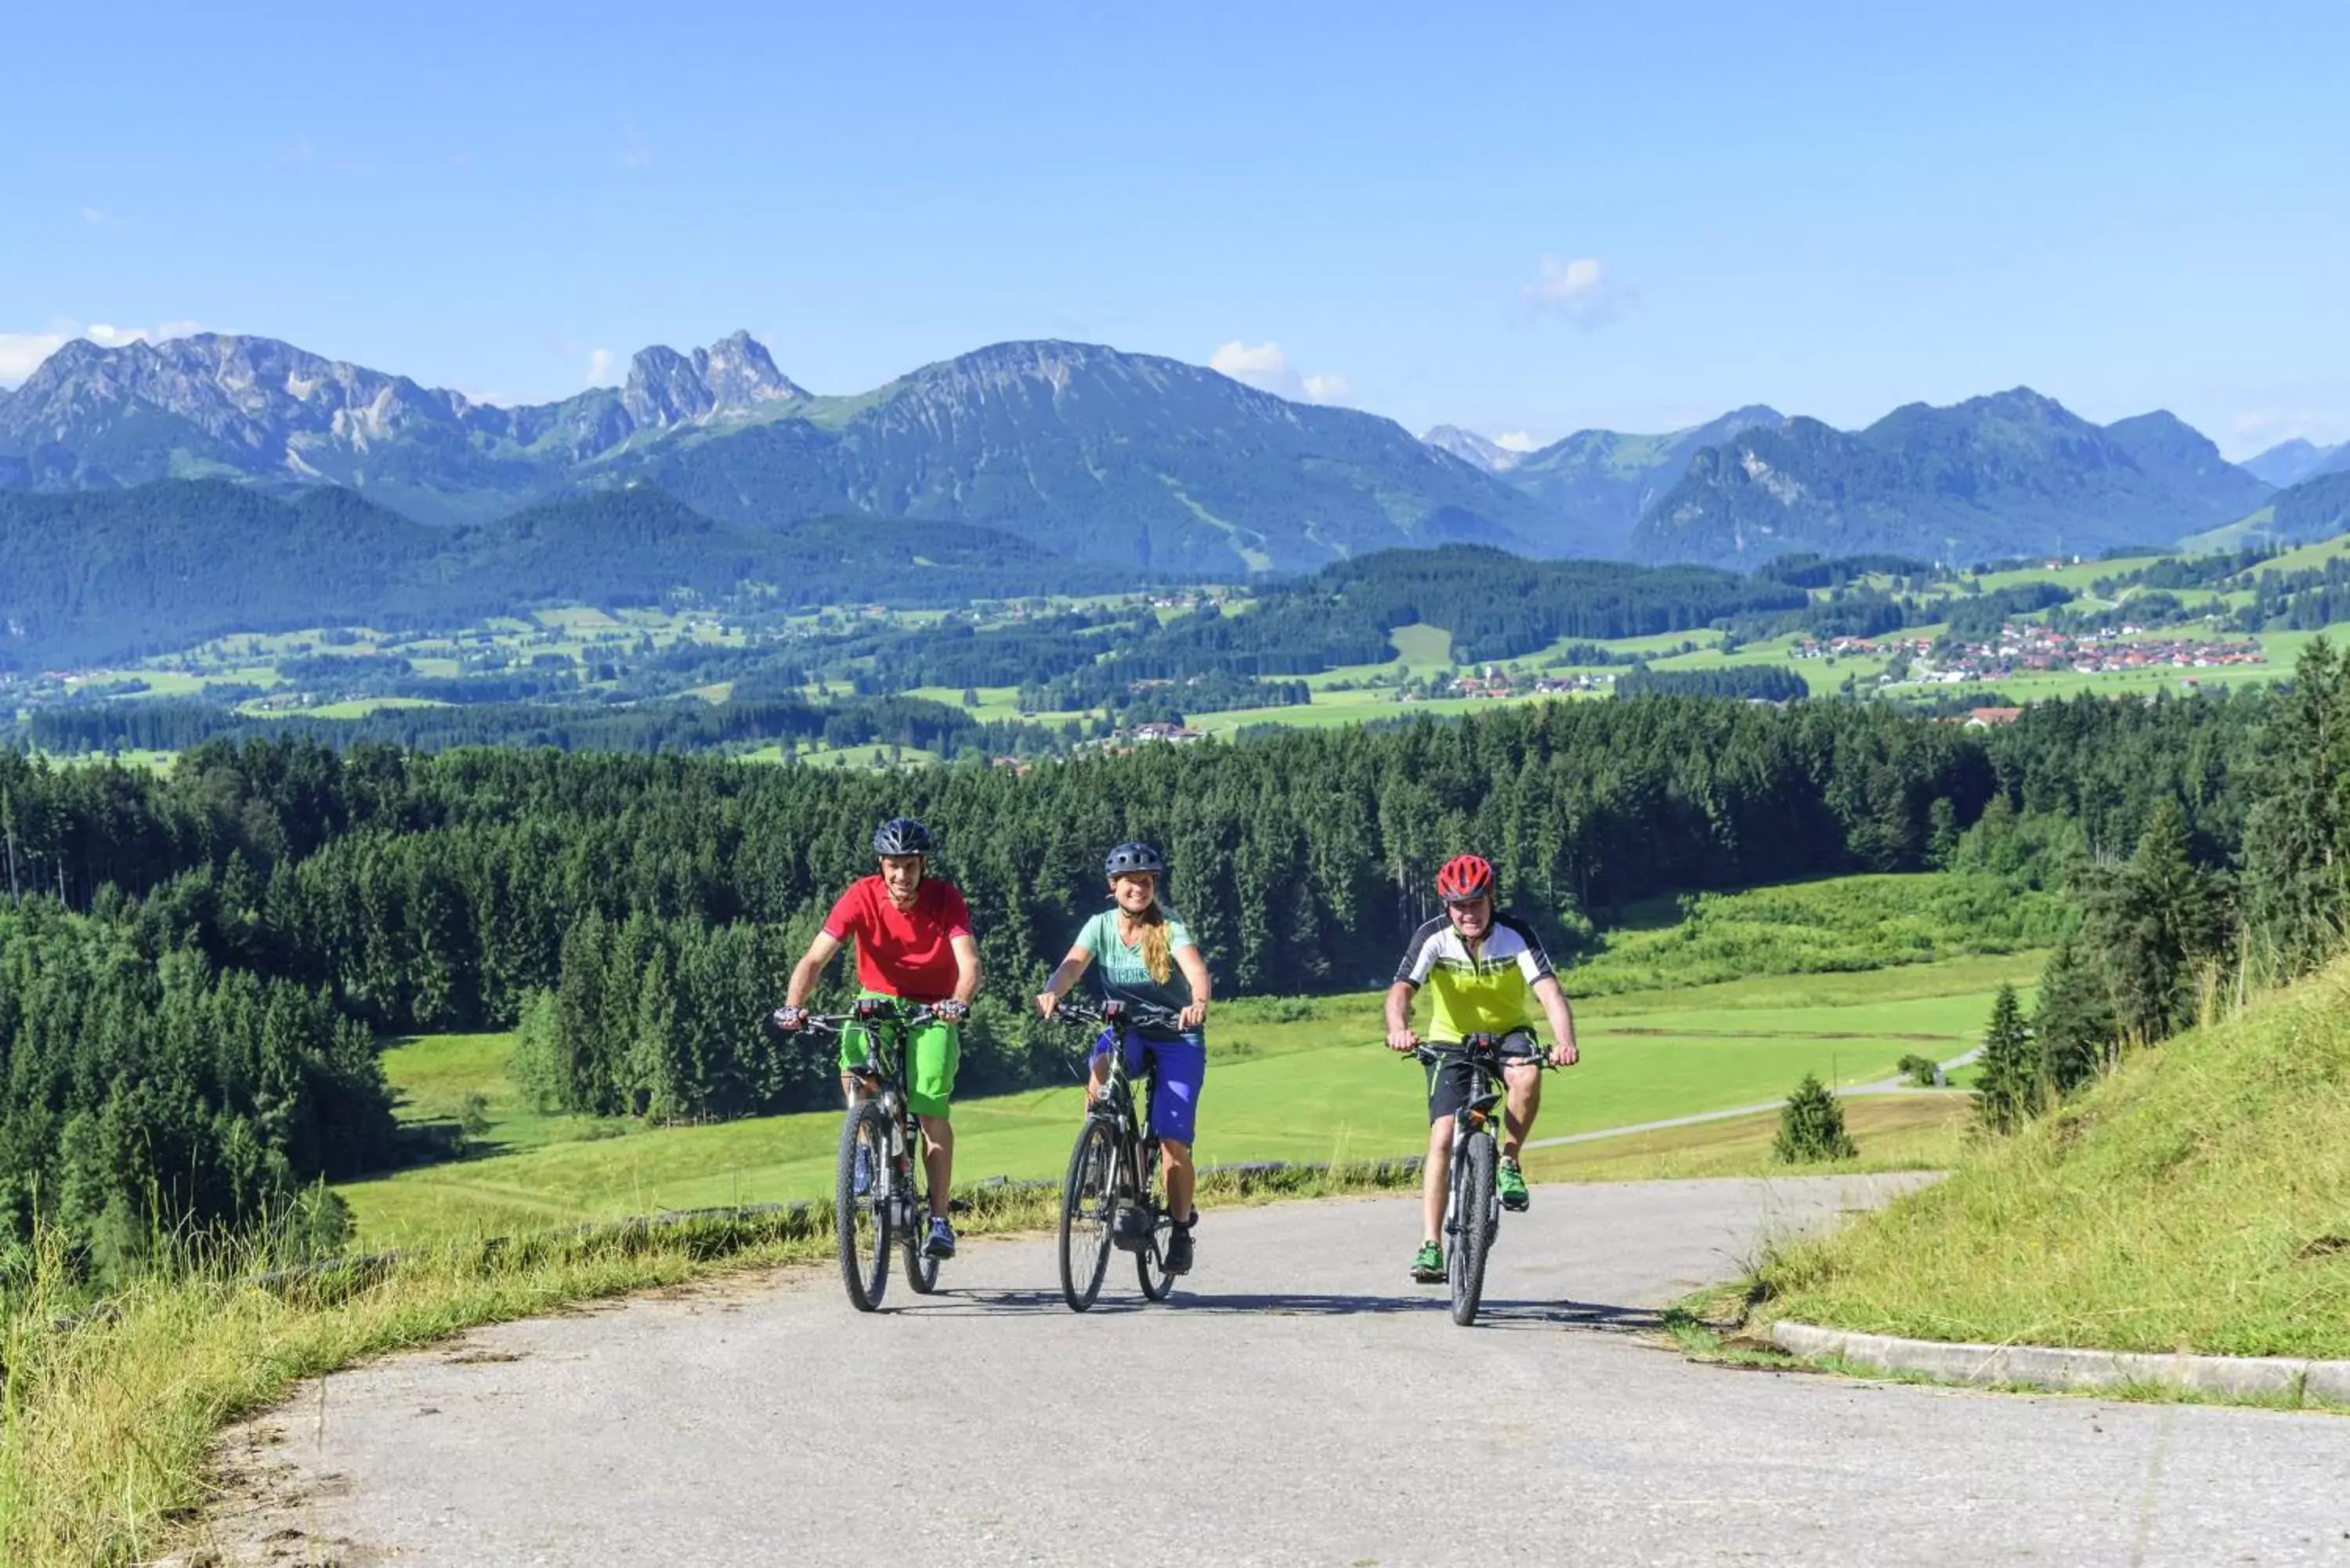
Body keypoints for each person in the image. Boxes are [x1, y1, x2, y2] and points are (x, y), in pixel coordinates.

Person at [775, 816, 981, 1259]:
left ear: (922, 864)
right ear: (881, 864)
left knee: (929, 1108)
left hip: (933, 1007)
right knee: (854, 1064)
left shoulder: (945, 899)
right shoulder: (860, 895)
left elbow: (969, 962)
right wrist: (794, 1003)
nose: (902, 875)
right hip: (878, 999)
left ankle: (940, 1220)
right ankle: (866, 1148)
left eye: (910, 865)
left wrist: (958, 1003)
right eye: (893, 865)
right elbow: (816, 957)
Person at [1383, 852, 1578, 1284]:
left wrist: (1565, 1042)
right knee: (1442, 1138)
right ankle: (1431, 1245)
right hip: (1449, 1040)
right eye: (1459, 905)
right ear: (1447, 907)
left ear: (1491, 898)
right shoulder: (1432, 937)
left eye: (1476, 903)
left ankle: (1508, 1161)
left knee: (1527, 1074)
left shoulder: (1515, 936)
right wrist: (1399, 1028)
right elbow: (1401, 991)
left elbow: (1549, 993)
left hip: (1508, 1033)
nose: (1468, 913)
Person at [1036, 841, 1213, 1275]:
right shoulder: (1099, 926)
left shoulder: (1169, 927)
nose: (1140, 888)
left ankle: (1183, 1228)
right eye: (1131, 882)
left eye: (1147, 881)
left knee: (1173, 1141)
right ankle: (1099, 1152)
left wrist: (1198, 1002)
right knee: (1099, 1073)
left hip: (1176, 1035)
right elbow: (1073, 965)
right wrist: (1053, 991)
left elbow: (1195, 971)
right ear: (1113, 887)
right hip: (1127, 1029)